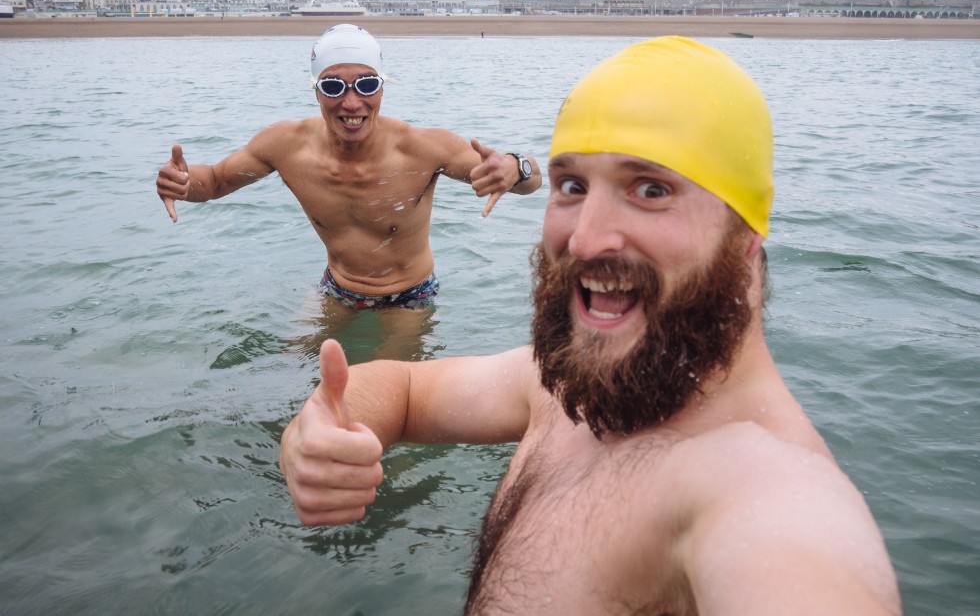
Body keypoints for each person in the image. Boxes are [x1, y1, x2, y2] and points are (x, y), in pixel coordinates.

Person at [278, 37, 901, 614]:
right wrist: (321, 433)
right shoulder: (566, 384)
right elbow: (407, 391)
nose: (583, 238)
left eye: (651, 190)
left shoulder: (771, 496)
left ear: (746, 237)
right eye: (573, 185)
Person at [156, 24, 542, 312]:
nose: (352, 102)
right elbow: (216, 181)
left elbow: (533, 180)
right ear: (315, 90)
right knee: (296, 375)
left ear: (383, 87)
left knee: (380, 390)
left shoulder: (422, 149)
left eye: (366, 85)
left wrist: (515, 168)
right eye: (333, 87)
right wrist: (183, 183)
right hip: (335, 288)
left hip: (407, 297)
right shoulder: (286, 146)